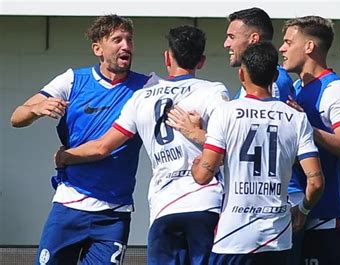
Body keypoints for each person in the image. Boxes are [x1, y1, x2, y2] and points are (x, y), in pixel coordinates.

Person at [55, 25, 230, 265]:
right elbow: (230, 145)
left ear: (167, 58)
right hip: (205, 203)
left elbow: (103, 147)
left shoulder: (142, 97)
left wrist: (65, 157)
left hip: (163, 207)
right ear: (201, 61)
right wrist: (198, 134)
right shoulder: (214, 91)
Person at [10, 15, 153, 264]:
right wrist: (37, 107)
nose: (126, 46)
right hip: (70, 204)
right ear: (97, 48)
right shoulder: (74, 80)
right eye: (117, 40)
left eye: (129, 40)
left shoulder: (147, 87)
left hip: (114, 212)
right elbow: (16, 117)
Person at [191, 42, 325, 265]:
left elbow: (204, 175)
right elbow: (316, 182)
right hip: (277, 238)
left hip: (233, 236)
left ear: (242, 74)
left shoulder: (226, 113)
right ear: (274, 76)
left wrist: (197, 164)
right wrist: (303, 209)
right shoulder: (296, 118)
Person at [279, 16, 340, 265]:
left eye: (288, 42)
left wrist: (306, 126)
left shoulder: (335, 90)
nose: (282, 49)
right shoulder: (295, 88)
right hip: (297, 217)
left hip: (326, 221)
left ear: (309, 47)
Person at [224, 7, 294, 101]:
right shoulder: (259, 79)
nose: (226, 44)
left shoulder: (273, 82)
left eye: (232, 37)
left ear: (253, 39)